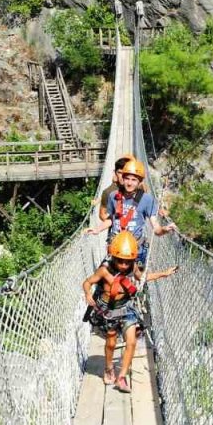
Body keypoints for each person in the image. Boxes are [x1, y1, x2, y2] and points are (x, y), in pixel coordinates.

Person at [82, 232, 178, 393]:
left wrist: (164, 273)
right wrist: (87, 294)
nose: (124, 265)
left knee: (131, 342)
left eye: (127, 262)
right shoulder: (104, 271)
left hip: (127, 308)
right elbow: (87, 282)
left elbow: (143, 278)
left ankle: (121, 377)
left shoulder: (132, 267)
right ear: (113, 257)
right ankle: (109, 368)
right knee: (111, 343)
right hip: (110, 310)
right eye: (120, 261)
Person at [86, 157, 176, 269]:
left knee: (138, 277)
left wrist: (164, 229)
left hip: (136, 248)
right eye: (127, 179)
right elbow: (111, 219)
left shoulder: (147, 199)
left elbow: (156, 229)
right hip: (116, 246)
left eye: (134, 180)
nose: (129, 183)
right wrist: (97, 229)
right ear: (122, 179)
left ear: (140, 182)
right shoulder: (113, 196)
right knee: (103, 275)